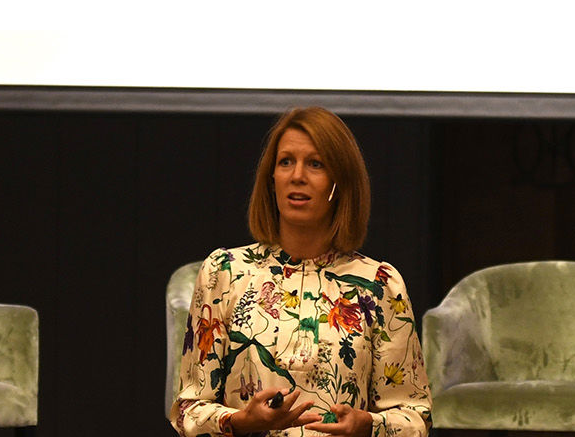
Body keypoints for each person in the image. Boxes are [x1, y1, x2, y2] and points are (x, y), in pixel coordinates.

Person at [173, 107, 428, 437]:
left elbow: (415, 417)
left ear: (340, 182)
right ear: (272, 179)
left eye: (316, 164)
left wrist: (369, 425)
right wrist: (239, 421)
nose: (297, 176)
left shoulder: (379, 284)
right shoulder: (224, 272)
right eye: (286, 162)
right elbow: (188, 410)